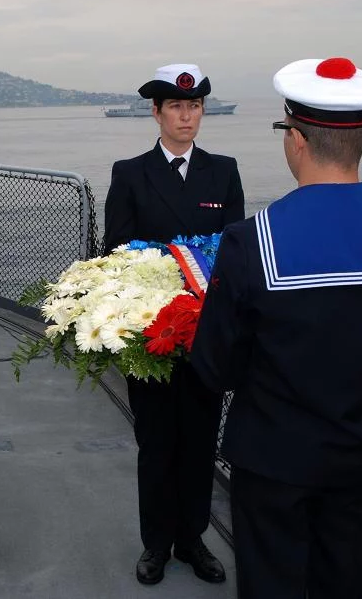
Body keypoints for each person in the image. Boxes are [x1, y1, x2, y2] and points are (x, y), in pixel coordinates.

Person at [191, 57, 362, 598]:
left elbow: (214, 368)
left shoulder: (250, 242)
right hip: (361, 464)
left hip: (273, 465)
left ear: (295, 139)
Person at [103, 63, 244, 586]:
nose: (187, 116)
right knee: (157, 443)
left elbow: (233, 258)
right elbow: (114, 253)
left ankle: (193, 538)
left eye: (195, 106)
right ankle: (155, 543)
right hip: (154, 336)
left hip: (205, 338)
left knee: (201, 441)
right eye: (177, 107)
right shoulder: (130, 173)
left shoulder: (223, 171)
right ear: (157, 112)